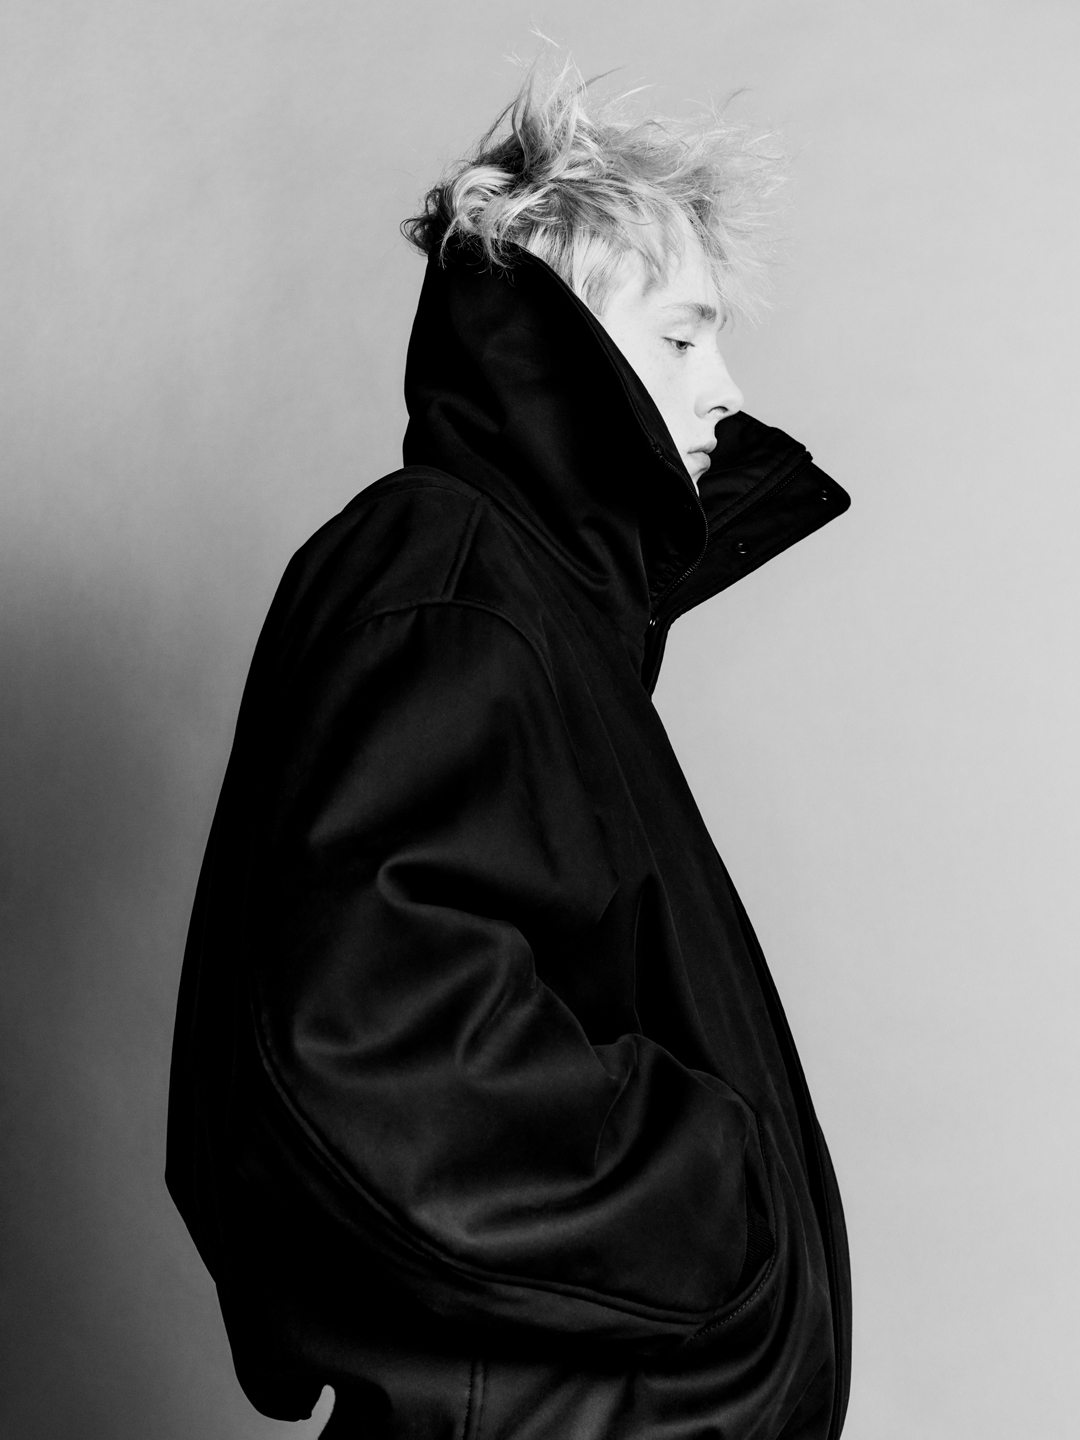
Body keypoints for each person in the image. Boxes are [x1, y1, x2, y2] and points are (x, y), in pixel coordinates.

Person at [166, 57, 852, 1440]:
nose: (726, 390)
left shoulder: (536, 616)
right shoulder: (451, 577)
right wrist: (723, 1194)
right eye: (681, 340)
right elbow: (375, 1046)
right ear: (566, 347)